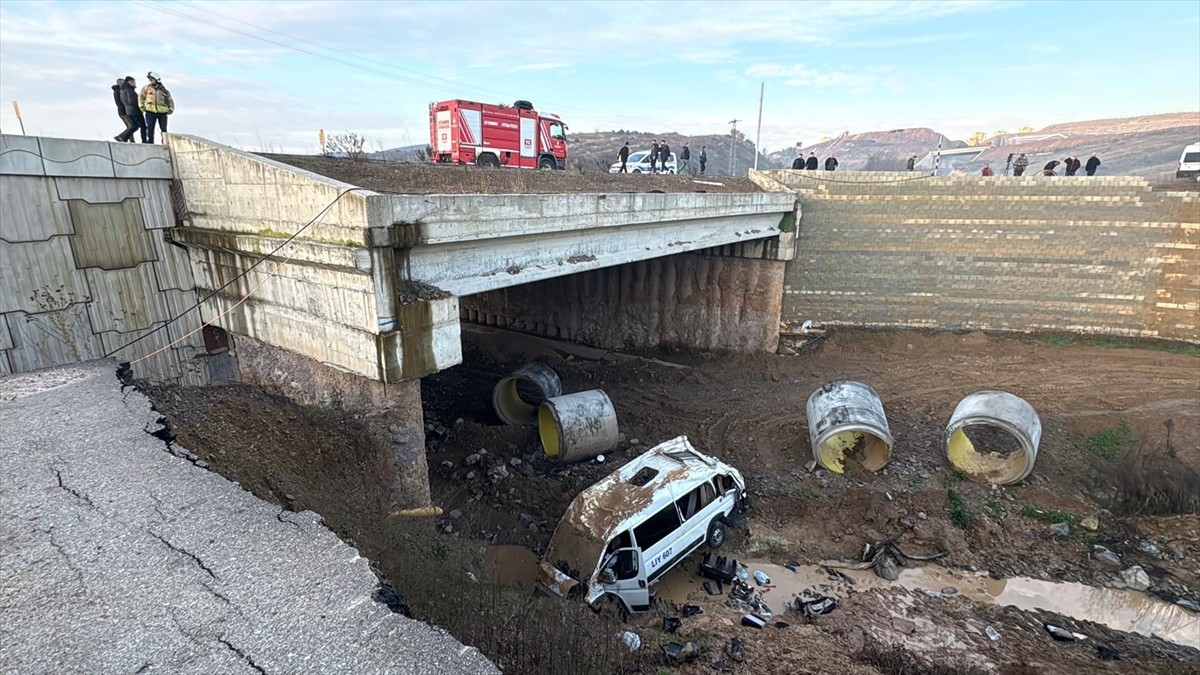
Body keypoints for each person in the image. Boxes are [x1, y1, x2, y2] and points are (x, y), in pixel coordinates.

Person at [139, 71, 174, 144]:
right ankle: (150, 141)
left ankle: (165, 142)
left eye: (152, 79)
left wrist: (171, 109)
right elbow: (141, 97)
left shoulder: (164, 90)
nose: (150, 80)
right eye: (150, 79)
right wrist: (141, 106)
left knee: (163, 129)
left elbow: (170, 100)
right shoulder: (146, 88)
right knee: (150, 128)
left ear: (157, 79)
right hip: (150, 111)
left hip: (162, 112)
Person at [115, 76, 146, 143]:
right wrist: (140, 106)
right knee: (142, 126)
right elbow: (132, 101)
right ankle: (144, 140)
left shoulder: (123, 90)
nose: (135, 84)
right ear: (130, 82)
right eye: (134, 82)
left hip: (129, 111)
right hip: (134, 111)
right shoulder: (129, 90)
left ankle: (122, 137)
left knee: (134, 126)